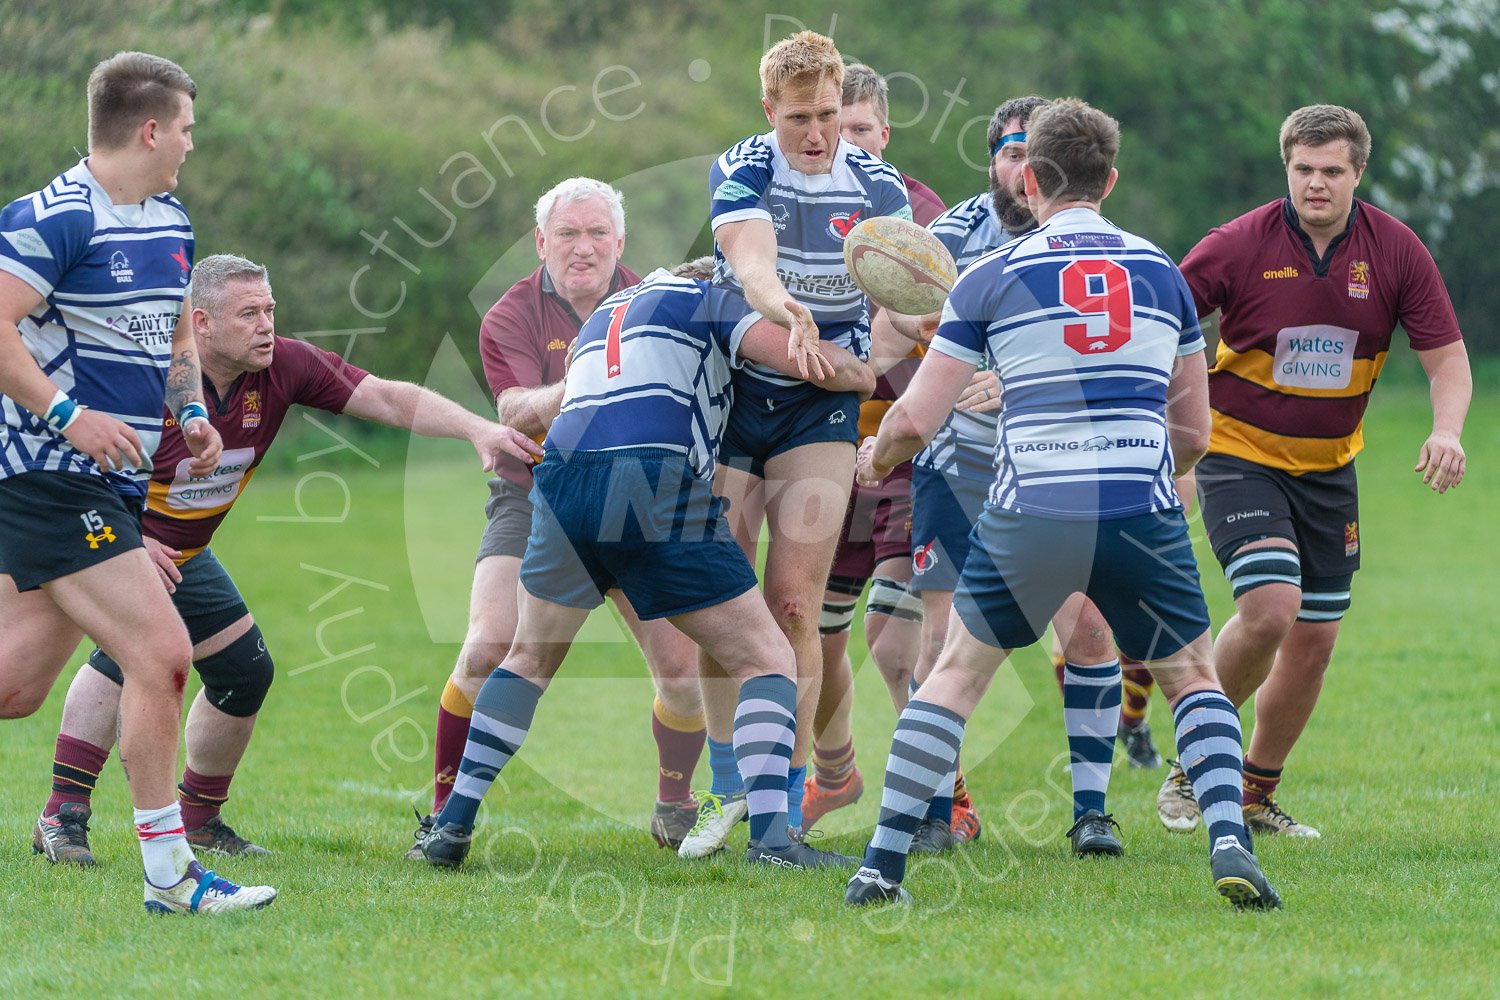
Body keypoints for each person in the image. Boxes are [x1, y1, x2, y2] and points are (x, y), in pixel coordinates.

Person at [844, 99, 1281, 909]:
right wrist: (1144, 467)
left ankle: (880, 866)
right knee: (1191, 676)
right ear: (1109, 181)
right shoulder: (1162, 273)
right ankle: (1229, 840)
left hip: (1032, 509)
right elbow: (1194, 431)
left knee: (955, 676)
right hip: (1139, 507)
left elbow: (913, 418)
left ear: (1031, 182)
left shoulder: (988, 277)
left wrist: (878, 455)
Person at [29, 253, 540, 864]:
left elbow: (385, 399)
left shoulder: (285, 366)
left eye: (270, 309)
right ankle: (63, 815)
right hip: (105, 541)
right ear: (201, 324)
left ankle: (199, 820)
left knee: (244, 672)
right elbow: (63, 461)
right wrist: (130, 540)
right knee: (125, 658)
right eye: (249, 314)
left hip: (187, 554)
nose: (267, 325)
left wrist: (477, 429)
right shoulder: (145, 374)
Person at [414, 264, 874, 871]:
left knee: (526, 658)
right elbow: (803, 360)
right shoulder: (709, 299)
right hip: (650, 476)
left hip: (560, 479)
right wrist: (865, 374)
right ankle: (773, 841)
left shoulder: (607, 314)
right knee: (768, 657)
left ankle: (451, 825)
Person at [0, 51, 276, 913]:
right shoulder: (54, 217)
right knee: (160, 656)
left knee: (15, 687)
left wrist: (189, 411)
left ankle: (170, 875)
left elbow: (178, 336)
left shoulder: (170, 220)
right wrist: (67, 416)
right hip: (49, 474)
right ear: (151, 130)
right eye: (187, 128)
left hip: (110, 485)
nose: (192, 143)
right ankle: (172, 877)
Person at [1156, 104, 1470, 839]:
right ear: (1287, 169)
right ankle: (1194, 761)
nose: (1316, 184)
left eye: (1332, 171)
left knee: (1313, 641)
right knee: (1271, 607)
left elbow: (1447, 359)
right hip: (1239, 454)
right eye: (1303, 169)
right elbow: (1158, 322)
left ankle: (1255, 794)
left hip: (1330, 468)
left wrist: (1446, 430)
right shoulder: (1237, 243)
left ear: (1359, 172)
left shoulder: (1396, 251)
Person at [410, 177, 712, 857]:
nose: (584, 247)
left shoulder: (657, 299)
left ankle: (674, 803)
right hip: (534, 489)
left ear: (620, 243)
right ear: (540, 242)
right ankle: (446, 814)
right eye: (568, 234)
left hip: (638, 495)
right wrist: (589, 378)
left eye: (598, 233)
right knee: (488, 646)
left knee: (684, 672)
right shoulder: (510, 314)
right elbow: (514, 411)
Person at [677, 30, 913, 860]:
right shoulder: (744, 166)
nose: (816, 135)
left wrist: (890, 354)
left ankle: (778, 818)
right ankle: (726, 789)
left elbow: (903, 299)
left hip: (820, 407)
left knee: (793, 607)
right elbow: (750, 262)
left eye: (828, 116)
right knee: (724, 601)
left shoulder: (878, 185)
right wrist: (784, 309)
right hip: (736, 392)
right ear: (768, 109)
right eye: (799, 118)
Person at [876, 96, 1130, 856]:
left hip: (1059, 465)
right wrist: (928, 330)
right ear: (993, 161)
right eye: (1010, 151)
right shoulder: (951, 236)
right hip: (959, 465)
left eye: (1032, 153)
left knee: (1088, 629)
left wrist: (1014, 380)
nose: (1022, 168)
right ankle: (939, 810)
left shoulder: (1092, 246)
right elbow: (888, 329)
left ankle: (1091, 813)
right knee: (940, 642)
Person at [799, 61, 948, 836]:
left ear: (884, 134)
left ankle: (942, 798)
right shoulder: (787, 207)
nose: (846, 142)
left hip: (905, 447)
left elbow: (919, 328)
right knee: (808, 625)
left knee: (891, 634)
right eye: (834, 127)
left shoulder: (920, 215)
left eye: (860, 128)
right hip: (819, 445)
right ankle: (834, 774)